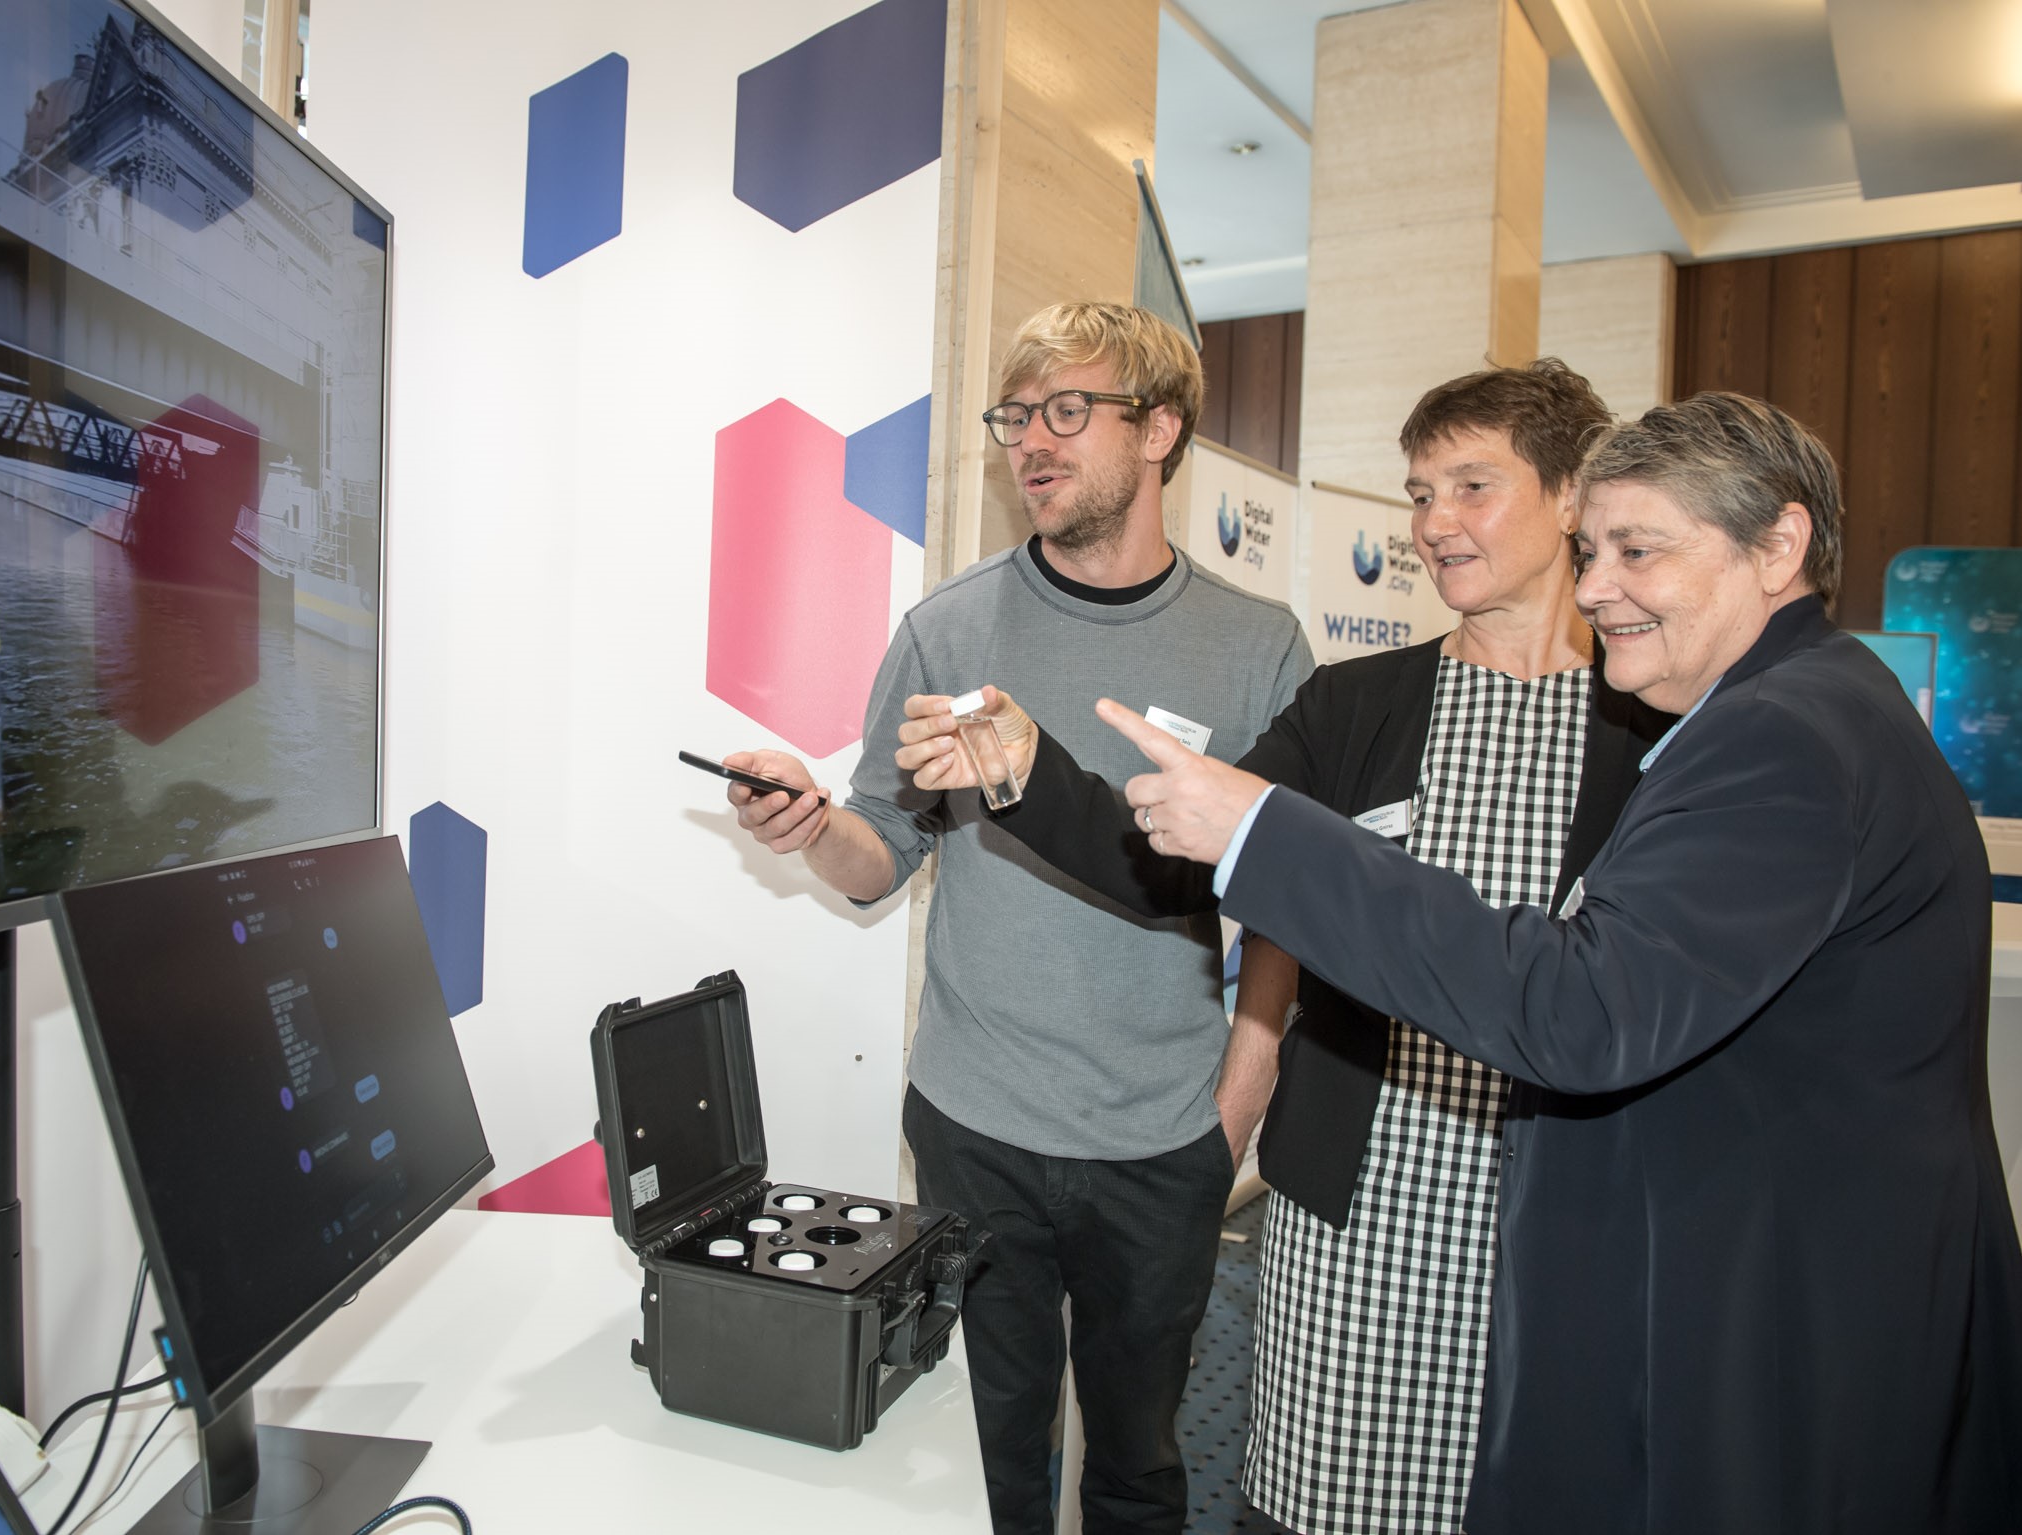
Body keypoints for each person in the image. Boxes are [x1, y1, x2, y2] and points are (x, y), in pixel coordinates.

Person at [1089, 393, 2022, 1533]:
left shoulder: (1777, 736)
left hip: (1785, 1334)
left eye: (1638, 551)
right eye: (1593, 552)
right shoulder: (1797, 707)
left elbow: (1583, 1006)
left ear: (1777, 545)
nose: (1593, 587)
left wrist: (1267, 834)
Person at [899, 359, 1669, 1535]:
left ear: (1571, 494)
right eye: (1419, 493)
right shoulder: (1357, 706)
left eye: (1471, 486)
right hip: (1359, 1209)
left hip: (1561, 1214)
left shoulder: (1657, 727)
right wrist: (1030, 770)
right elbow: (1174, 862)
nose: (1434, 523)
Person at [722, 301, 1310, 1533]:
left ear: (1158, 428)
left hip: (1161, 1138)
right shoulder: (948, 627)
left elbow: (1282, 906)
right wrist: (809, 822)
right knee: (977, 1462)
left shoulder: (1257, 648)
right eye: (1015, 416)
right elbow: (878, 852)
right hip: (973, 1127)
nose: (1031, 442)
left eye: (1067, 411)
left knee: (1137, 1467)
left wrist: (1234, 1106)